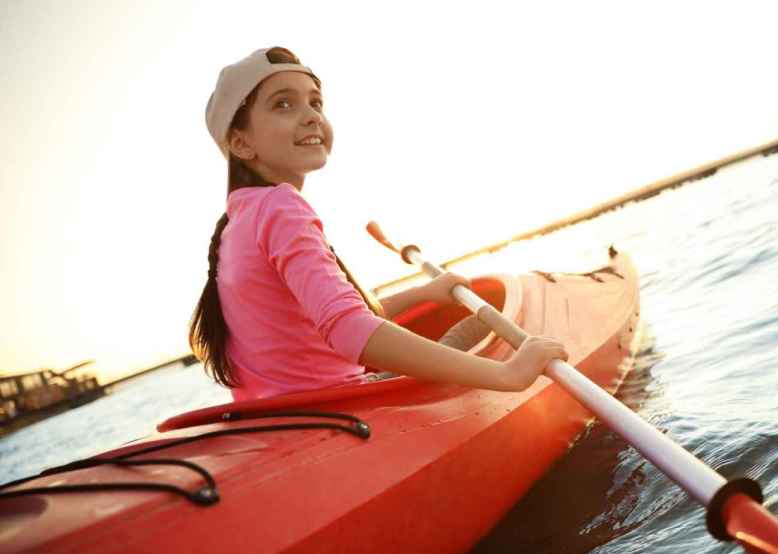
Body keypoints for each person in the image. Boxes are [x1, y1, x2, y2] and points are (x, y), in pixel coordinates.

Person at [188, 47, 567, 401]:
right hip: (336, 407)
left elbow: (323, 317)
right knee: (477, 325)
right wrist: (508, 373)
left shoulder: (237, 222)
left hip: (287, 413)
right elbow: (348, 329)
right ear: (240, 143)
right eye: (283, 104)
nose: (311, 115)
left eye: (316, 102)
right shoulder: (281, 207)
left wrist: (422, 294)